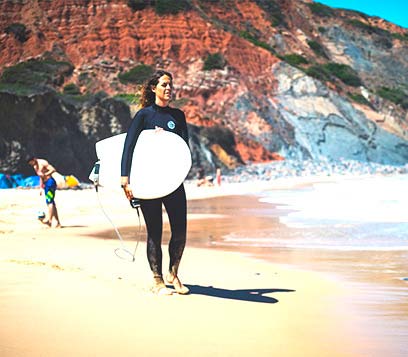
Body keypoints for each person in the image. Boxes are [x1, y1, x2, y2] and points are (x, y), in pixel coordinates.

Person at [121, 70, 190, 295]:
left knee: (180, 231)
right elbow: (129, 147)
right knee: (155, 232)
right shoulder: (144, 116)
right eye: (164, 84)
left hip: (172, 181)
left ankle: (174, 273)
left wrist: (167, 141)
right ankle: (158, 279)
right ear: (154, 88)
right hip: (148, 181)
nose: (169, 88)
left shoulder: (178, 116)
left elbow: (184, 149)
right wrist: (125, 180)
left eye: (171, 84)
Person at [27, 157, 61, 228]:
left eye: (31, 162)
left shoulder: (42, 162)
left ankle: (49, 220)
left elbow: (53, 169)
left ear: (34, 159)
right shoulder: (35, 166)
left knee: (49, 201)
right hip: (46, 184)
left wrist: (46, 174)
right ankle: (58, 222)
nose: (32, 164)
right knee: (51, 202)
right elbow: (40, 177)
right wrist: (40, 187)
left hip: (50, 182)